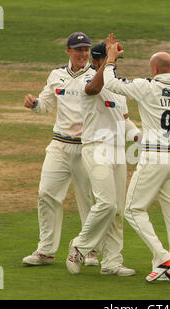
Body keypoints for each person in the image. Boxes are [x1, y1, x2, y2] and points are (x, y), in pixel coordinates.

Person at [99, 34, 170, 282]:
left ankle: (163, 256)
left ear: (154, 69)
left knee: (133, 210)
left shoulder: (146, 86)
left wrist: (111, 59)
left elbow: (111, 84)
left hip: (154, 158)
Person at [66, 39, 142, 276]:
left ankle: (111, 263)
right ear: (97, 60)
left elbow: (123, 118)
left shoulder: (117, 87)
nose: (115, 65)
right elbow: (93, 90)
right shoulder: (85, 79)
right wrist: (107, 62)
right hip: (96, 148)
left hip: (118, 150)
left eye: (117, 61)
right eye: (110, 60)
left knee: (117, 209)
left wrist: (139, 135)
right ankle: (79, 246)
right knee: (106, 204)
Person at [22, 32, 99, 267]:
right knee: (46, 194)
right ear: (68, 51)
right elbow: (46, 106)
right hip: (60, 145)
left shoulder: (97, 75)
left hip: (87, 147)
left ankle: (90, 250)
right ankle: (45, 251)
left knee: (89, 201)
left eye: (86, 49)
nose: (83, 54)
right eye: (78, 50)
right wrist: (35, 104)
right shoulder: (56, 75)